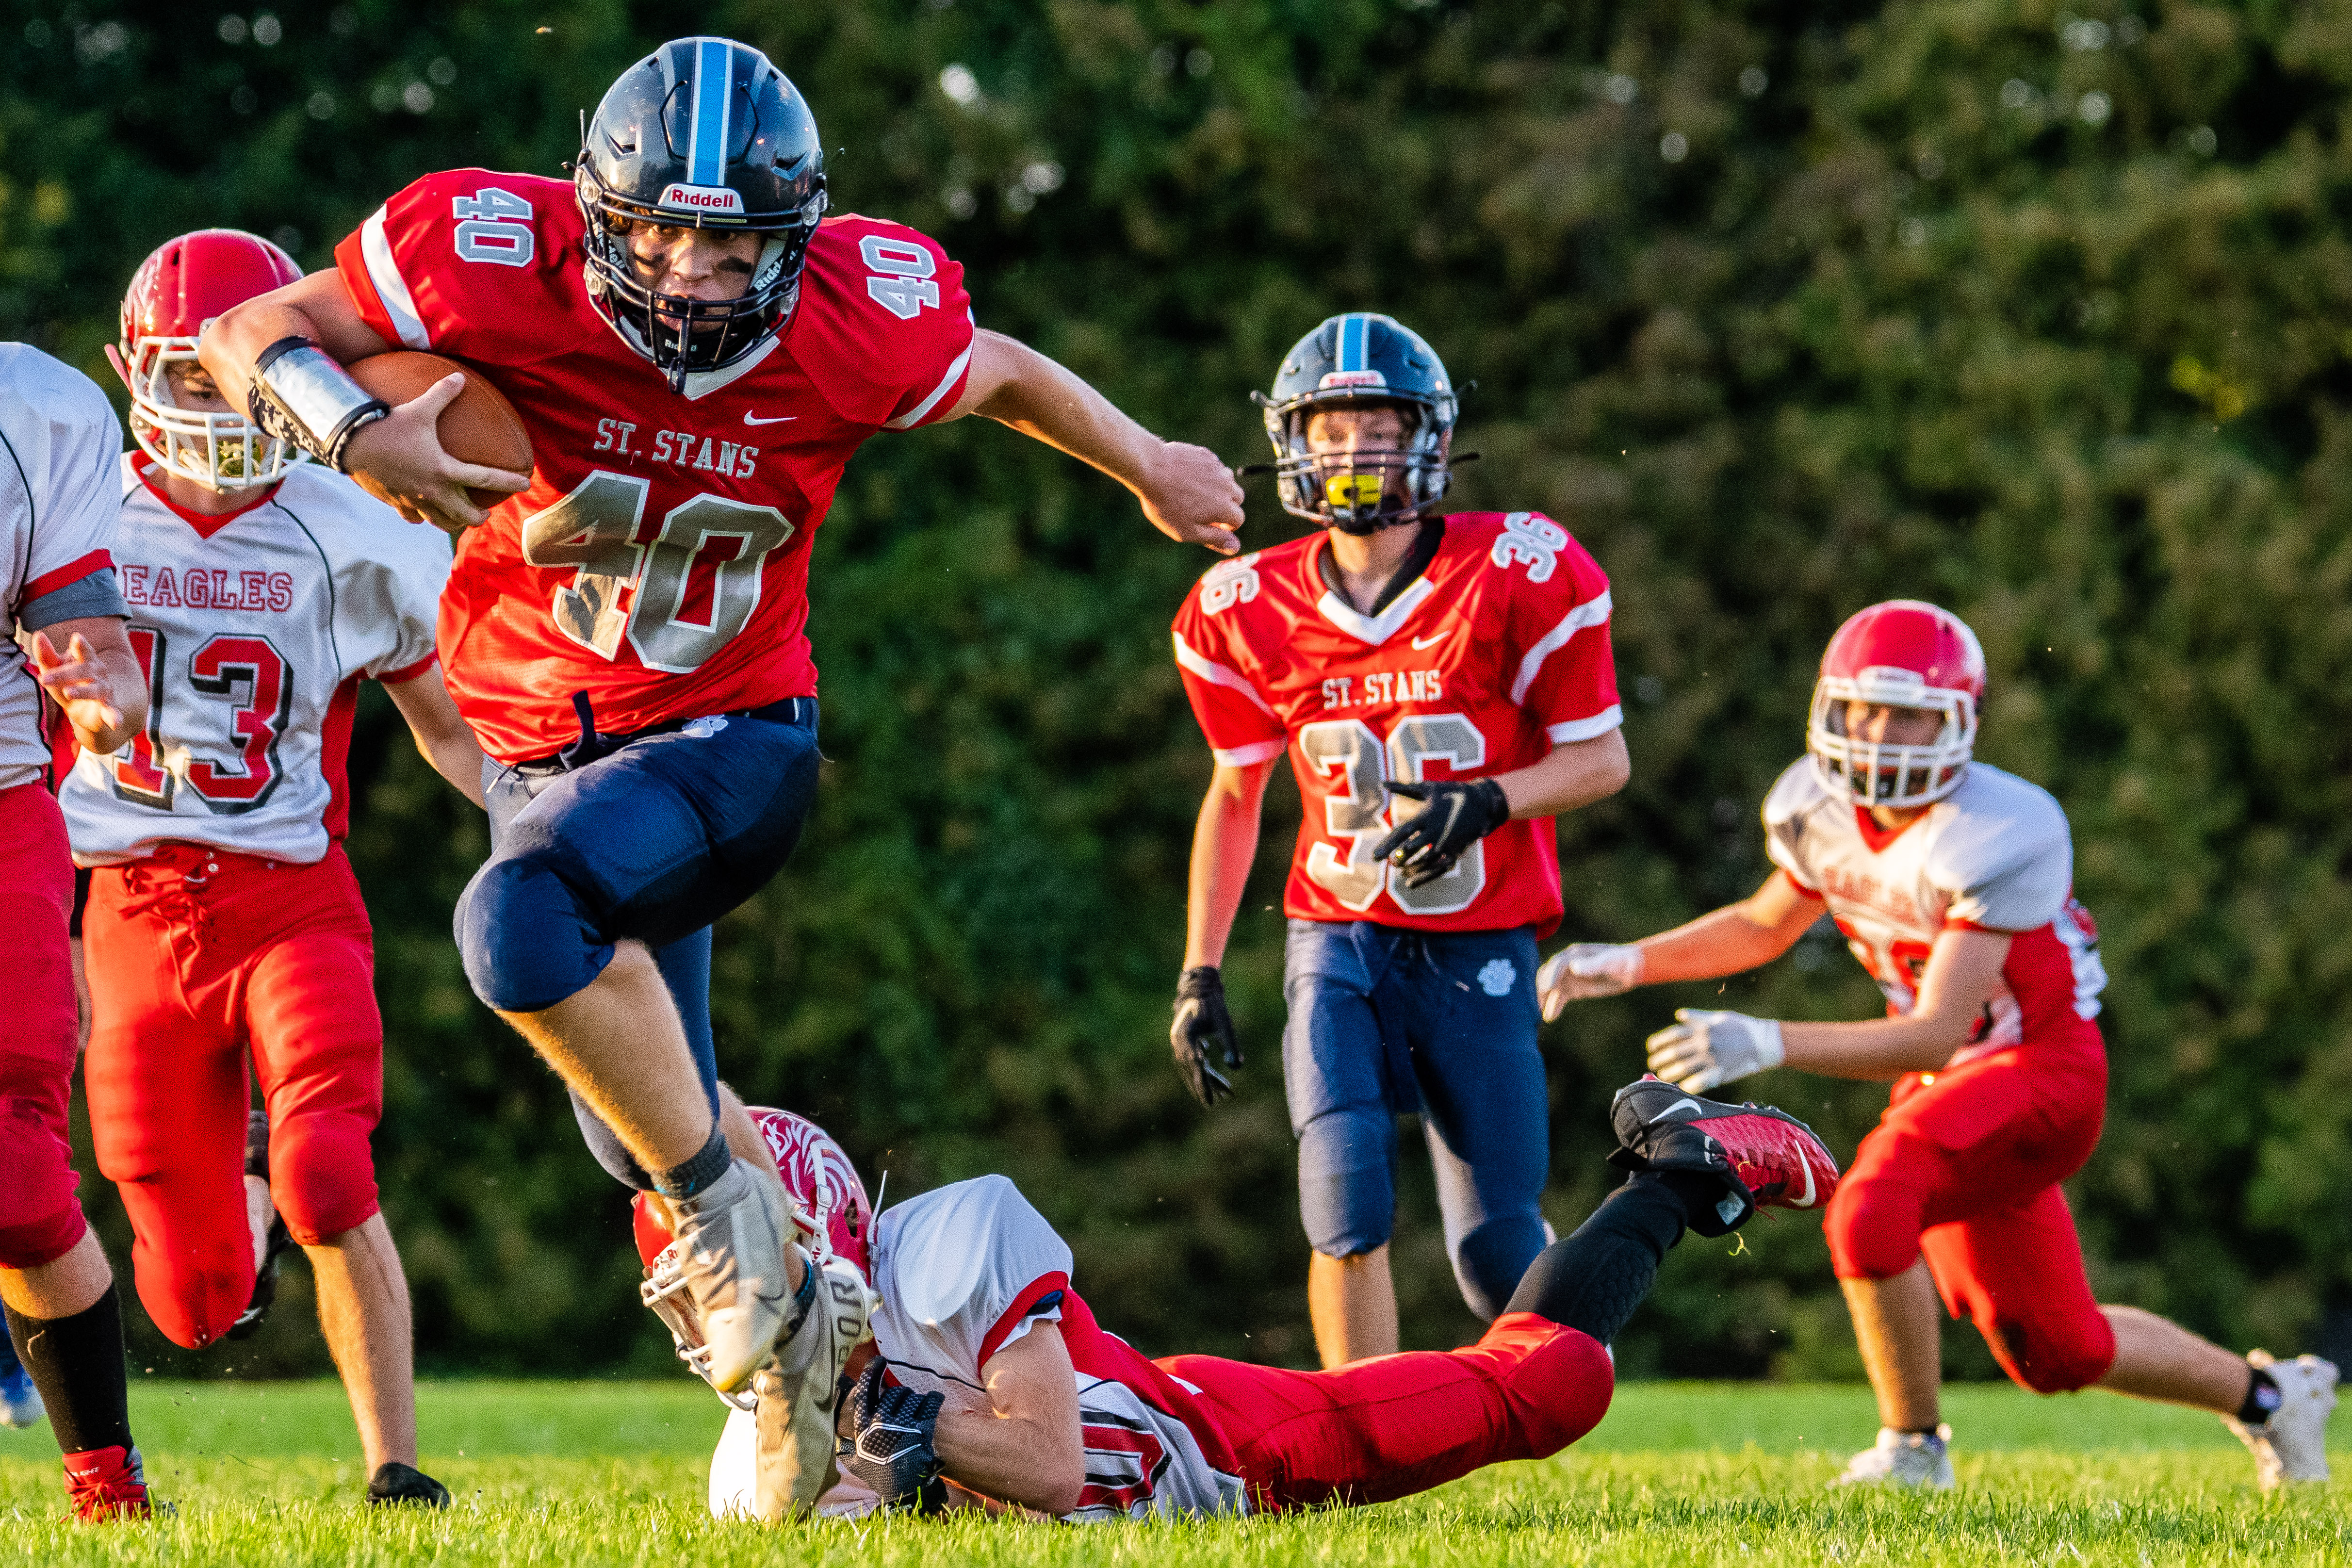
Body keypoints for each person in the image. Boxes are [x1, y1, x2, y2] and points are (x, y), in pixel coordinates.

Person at [199, 36, 1245, 1432]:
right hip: (545, 760)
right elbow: (245, 328)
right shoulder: (487, 248)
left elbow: (994, 370)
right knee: (637, 1124)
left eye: (731, 245)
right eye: (660, 234)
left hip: (731, 731)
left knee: (516, 926)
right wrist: (346, 433)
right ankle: (840, 1347)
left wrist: (1152, 464)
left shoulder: (859, 317)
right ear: (596, 213)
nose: (694, 271)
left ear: (797, 237)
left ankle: (753, 1259)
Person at [1538, 599, 2339, 1490]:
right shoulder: (1815, 803)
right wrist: (1631, 963)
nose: (1882, 734)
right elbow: (1767, 925)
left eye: (1910, 712)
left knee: (1871, 1207)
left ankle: (1914, 1449)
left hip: (2038, 1073)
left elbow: (1936, 1029)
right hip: (1946, 1083)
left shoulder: (2002, 828)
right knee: (2056, 1350)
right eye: (1865, 710)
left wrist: (1769, 1039)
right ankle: (2274, 1397)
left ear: (1960, 720)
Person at [54, 230, 489, 1506]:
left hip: (294, 894)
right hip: (127, 913)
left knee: (329, 1172)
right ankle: (233, 1160)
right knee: (192, 1303)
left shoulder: (353, 523)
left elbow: (452, 731)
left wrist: (550, 838)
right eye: (183, 377)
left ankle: (397, 1469)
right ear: (131, 373)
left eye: (229, 374)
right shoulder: (76, 511)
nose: (211, 401)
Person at [637, 1081, 1839, 1519]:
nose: (704, 1323)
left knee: (1545, 1385)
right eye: (686, 1298)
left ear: (811, 1241)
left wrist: (871, 1403)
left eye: (718, 1279)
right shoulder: (744, 1475)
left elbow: (1052, 1467)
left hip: (1209, 1444)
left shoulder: (946, 1241)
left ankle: (1682, 1172)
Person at [1168, 313, 1629, 1365]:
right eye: (1333, 427)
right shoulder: (1240, 604)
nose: (1357, 449)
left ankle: (1584, 1350)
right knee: (1343, 1203)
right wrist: (1199, 968)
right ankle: (1362, 1445)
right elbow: (1235, 791)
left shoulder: (1518, 565)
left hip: (1481, 939)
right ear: (1296, 441)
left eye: (1381, 423)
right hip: (1336, 936)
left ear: (1430, 435)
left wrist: (1492, 798)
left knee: (1495, 1255)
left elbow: (1602, 759)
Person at [0, 341, 161, 1520]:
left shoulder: (37, 410)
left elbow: (80, 631)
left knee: (15, 1168)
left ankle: (106, 1479)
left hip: (3, 799)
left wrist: (106, 688)